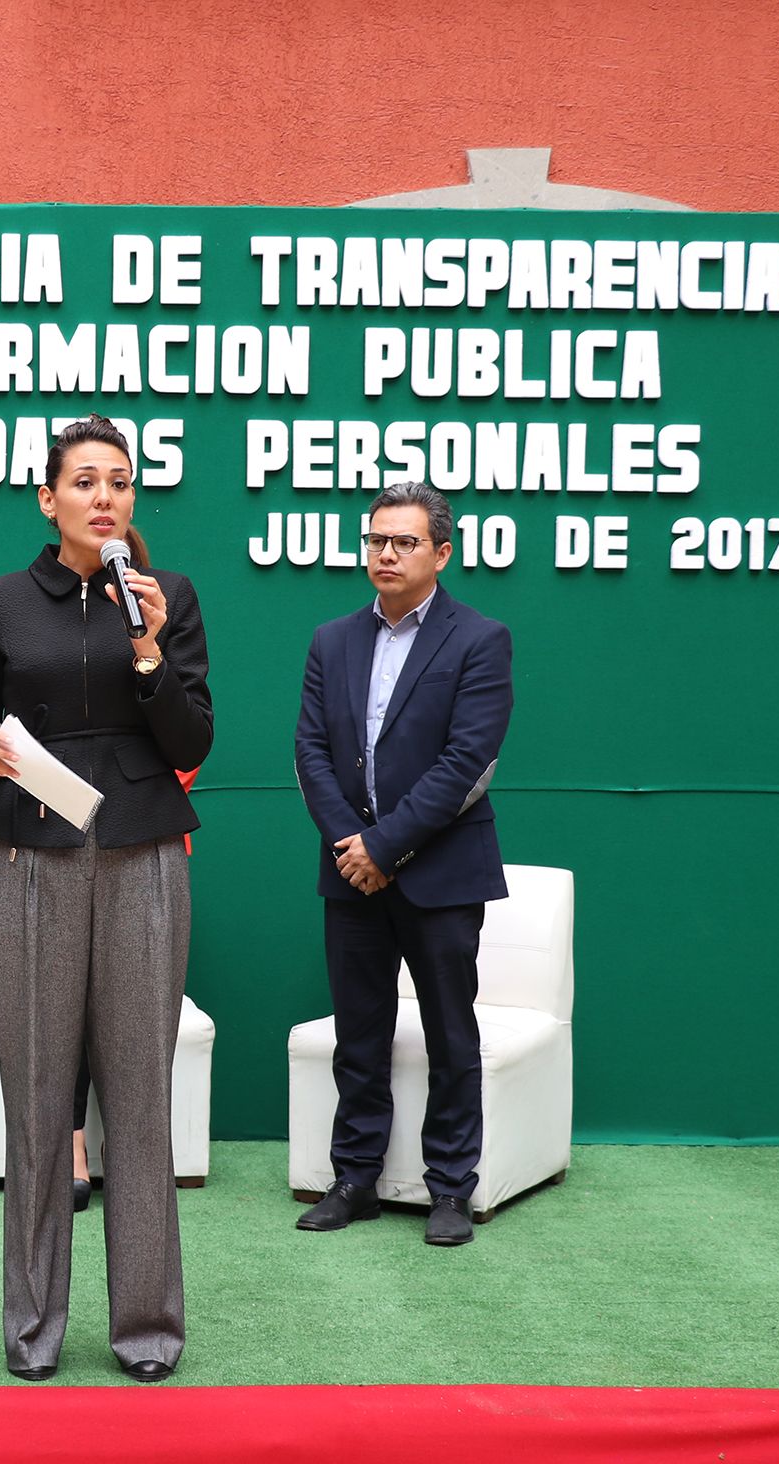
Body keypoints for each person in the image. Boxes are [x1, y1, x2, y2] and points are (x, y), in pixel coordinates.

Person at [0, 414, 214, 1383]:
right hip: (31, 855)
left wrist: (149, 648)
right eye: (86, 480)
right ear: (47, 497)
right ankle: (33, 1328)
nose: (105, 497)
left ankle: (147, 1327)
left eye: (121, 481)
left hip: (143, 854)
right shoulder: (2, 601)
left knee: (140, 1099)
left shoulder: (167, 596)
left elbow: (192, 739)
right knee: (35, 1097)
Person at [291, 480, 513, 1247]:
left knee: (451, 1035)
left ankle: (451, 1187)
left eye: (405, 541)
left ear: (441, 553)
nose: (386, 553)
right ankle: (354, 1179)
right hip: (349, 872)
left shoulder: (479, 639)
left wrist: (384, 847)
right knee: (359, 1033)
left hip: (441, 874)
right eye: (376, 540)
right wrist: (353, 847)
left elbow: (467, 763)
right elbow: (311, 753)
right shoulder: (332, 640)